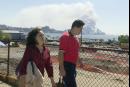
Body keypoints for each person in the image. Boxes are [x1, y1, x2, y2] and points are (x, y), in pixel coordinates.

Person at [58, 19, 85, 87]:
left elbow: (75, 52)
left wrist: (80, 61)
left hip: (73, 66)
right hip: (66, 66)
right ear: (75, 27)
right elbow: (61, 54)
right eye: (80, 29)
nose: (81, 31)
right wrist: (61, 68)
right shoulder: (65, 36)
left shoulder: (76, 38)